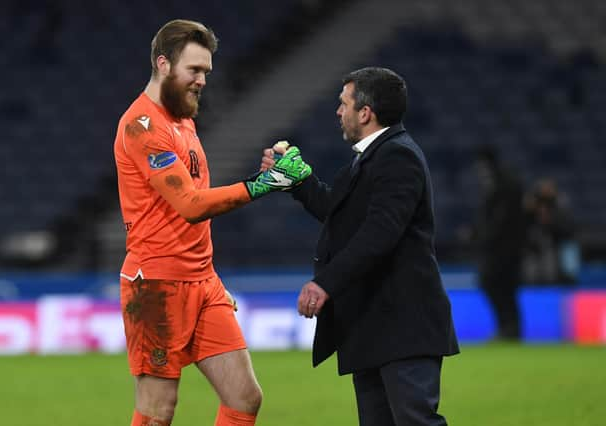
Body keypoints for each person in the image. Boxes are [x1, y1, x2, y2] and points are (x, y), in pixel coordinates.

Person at [113, 19, 312, 426]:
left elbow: (194, 193)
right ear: (163, 64)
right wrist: (263, 184)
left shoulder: (182, 118)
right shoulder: (141, 126)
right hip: (154, 285)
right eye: (194, 70)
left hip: (203, 281)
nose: (202, 80)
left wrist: (263, 177)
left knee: (244, 397)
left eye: (206, 71)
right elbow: (188, 204)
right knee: (158, 410)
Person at [262, 67, 459, 425]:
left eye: (344, 103)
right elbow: (340, 214)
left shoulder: (398, 156)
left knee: (415, 421)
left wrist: (325, 283)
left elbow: (380, 233)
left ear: (365, 112)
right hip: (372, 325)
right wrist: (297, 180)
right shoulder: (373, 157)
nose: (338, 111)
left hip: (403, 324)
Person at [471, 145, 527, 340]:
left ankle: (509, 328)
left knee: (497, 285)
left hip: (503, 249)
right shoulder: (504, 182)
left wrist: (482, 237)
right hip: (507, 248)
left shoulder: (503, 184)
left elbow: (500, 219)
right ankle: (509, 328)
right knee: (503, 288)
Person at [522, 178, 578, 284]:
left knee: (551, 270)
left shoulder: (559, 208)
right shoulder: (530, 210)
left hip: (553, 247)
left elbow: (568, 229)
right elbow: (522, 228)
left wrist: (550, 220)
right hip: (531, 248)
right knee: (530, 272)